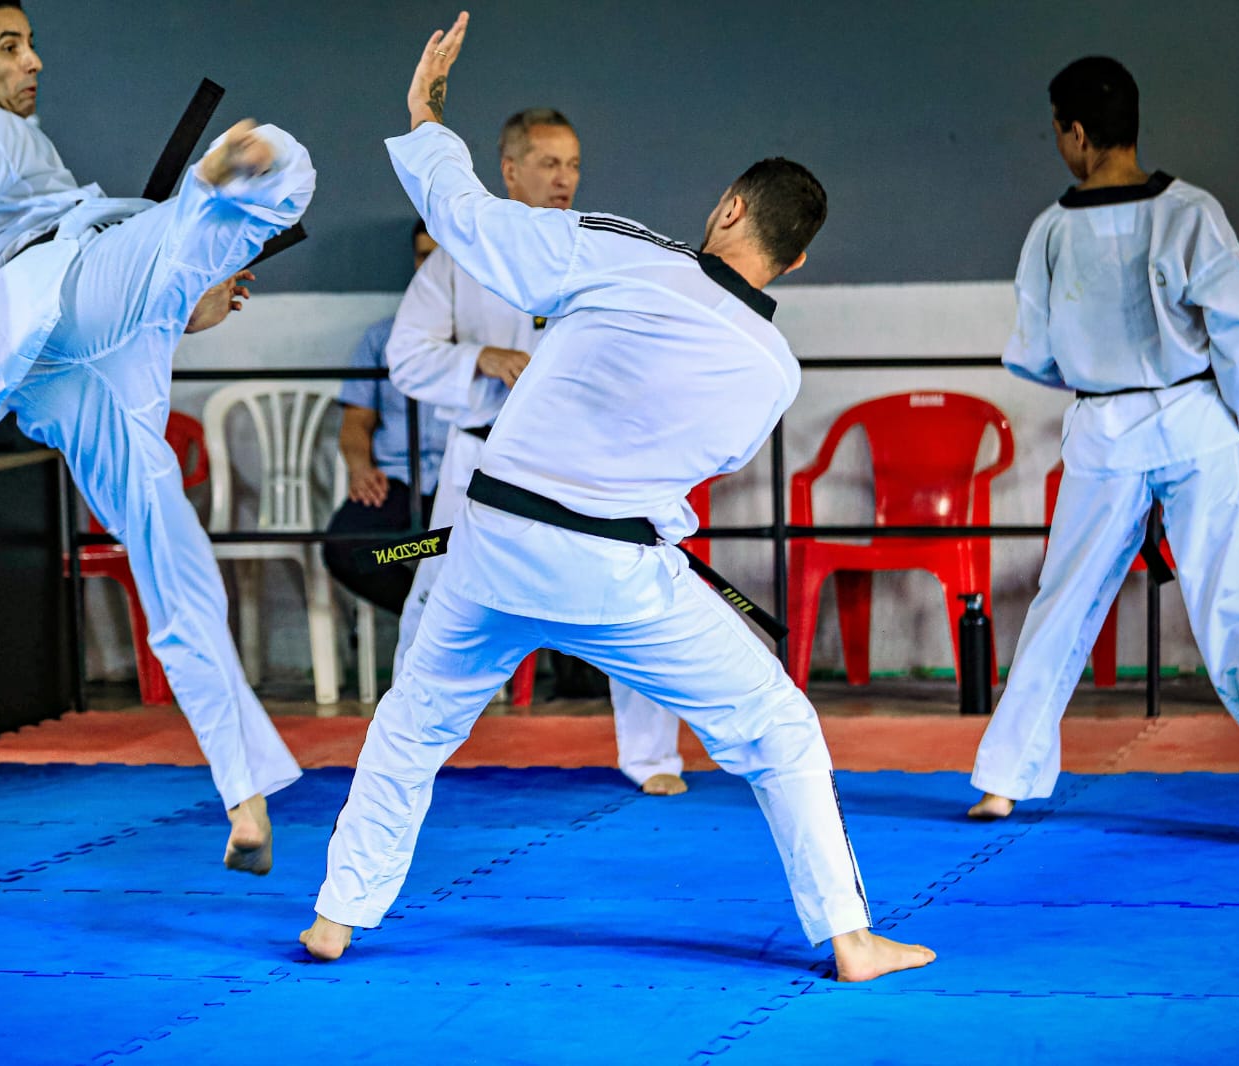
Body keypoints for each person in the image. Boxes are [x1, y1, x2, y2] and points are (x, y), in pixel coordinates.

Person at [299, 12, 936, 983]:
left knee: (413, 722)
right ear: (797, 261)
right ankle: (850, 938)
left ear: (728, 208)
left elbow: (470, 222)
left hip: (489, 539)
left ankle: (337, 916)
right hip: (614, 570)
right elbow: (711, 460)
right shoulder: (774, 368)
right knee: (778, 728)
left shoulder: (620, 251)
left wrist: (426, 118)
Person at [0, 0, 313, 870]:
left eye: (33, 44)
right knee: (269, 164)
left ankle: (245, 799)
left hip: (73, 370)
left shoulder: (28, 145)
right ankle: (211, 193)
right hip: (58, 285)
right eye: (10, 46)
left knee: (173, 562)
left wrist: (184, 309)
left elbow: (113, 301)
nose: (33, 61)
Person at [968, 57, 1239, 832]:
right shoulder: (1191, 213)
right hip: (1195, 418)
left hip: (1104, 431)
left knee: (1064, 601)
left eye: (1057, 131)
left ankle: (1003, 782)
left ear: (1076, 133)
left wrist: (1098, 375)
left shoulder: (1051, 231)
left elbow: (1034, 352)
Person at [386, 104, 689, 796]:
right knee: (432, 602)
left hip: (582, 467)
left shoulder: (600, 248)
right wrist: (480, 357)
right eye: (549, 163)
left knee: (633, 592)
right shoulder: (458, 258)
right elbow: (406, 357)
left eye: (573, 164)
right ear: (509, 170)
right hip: (481, 462)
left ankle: (653, 758)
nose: (564, 179)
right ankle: (402, 758)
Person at [321, 221, 450, 614]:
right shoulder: (382, 338)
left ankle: (451, 617)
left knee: (496, 549)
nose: (432, 268)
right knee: (349, 551)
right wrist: (360, 468)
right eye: (424, 257)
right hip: (398, 483)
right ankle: (430, 620)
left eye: (444, 258)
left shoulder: (496, 338)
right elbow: (356, 423)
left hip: (466, 483)